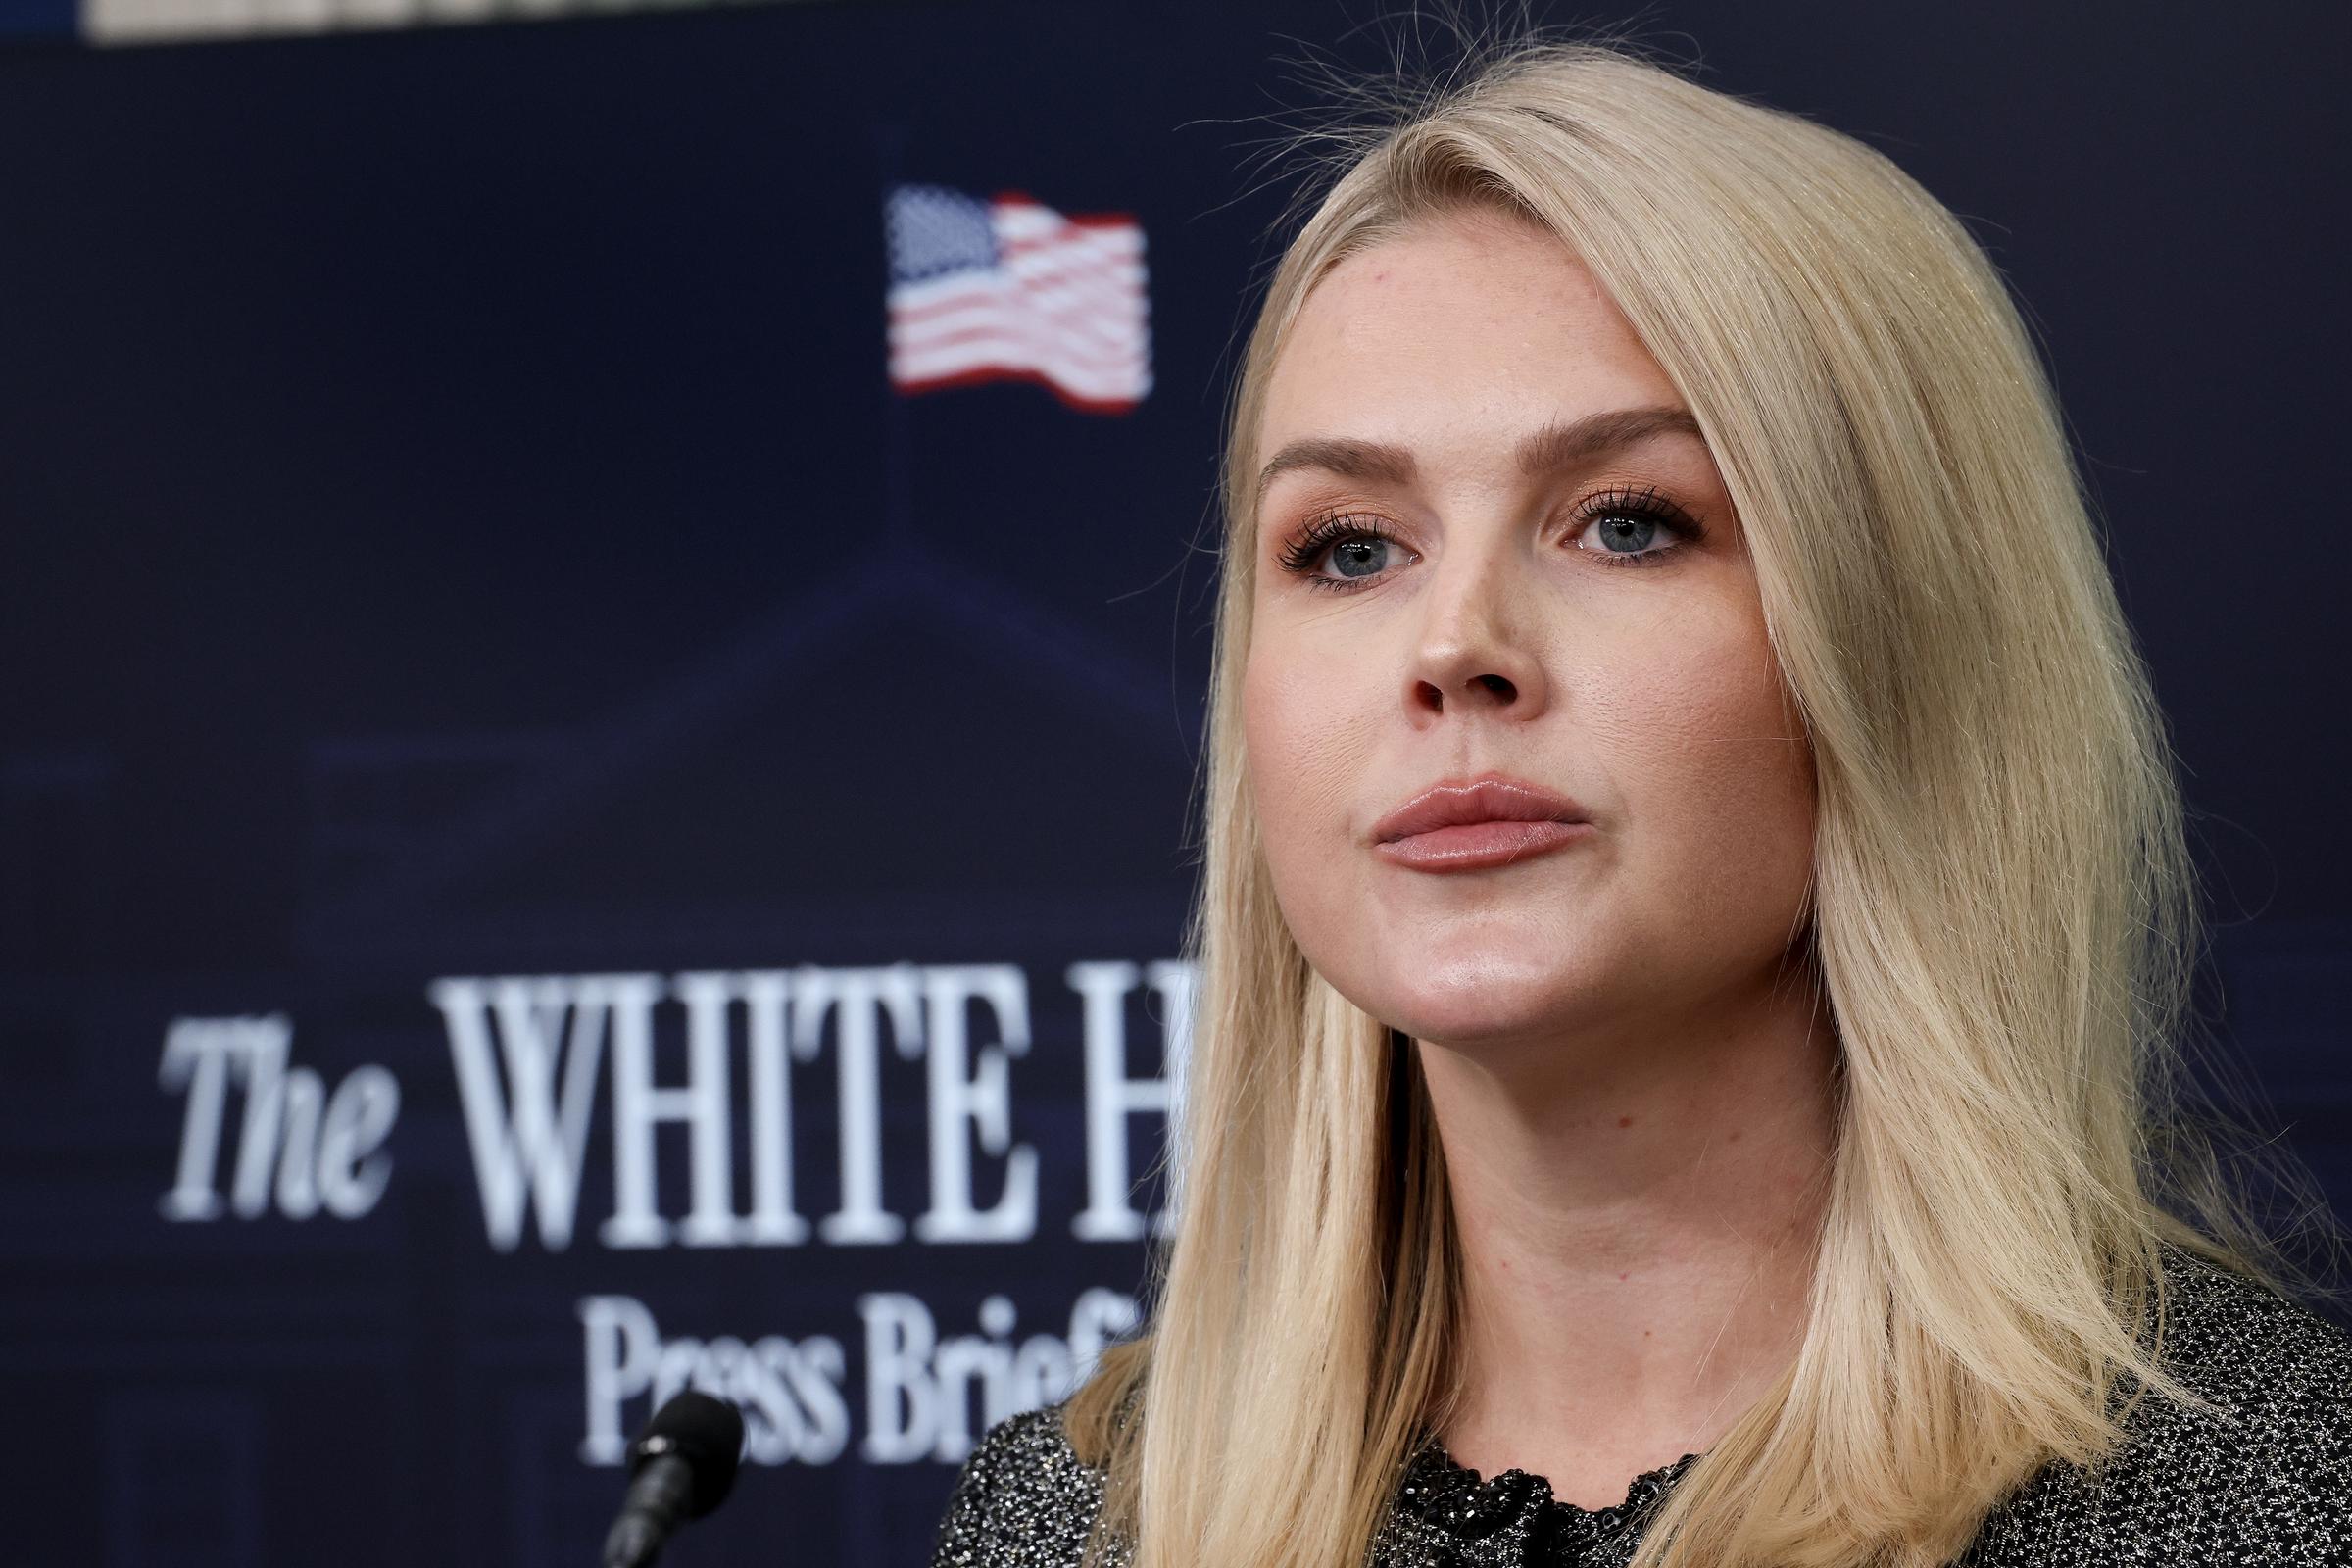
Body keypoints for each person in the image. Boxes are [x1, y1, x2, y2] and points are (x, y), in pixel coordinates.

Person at [928, 30, 2352, 1568]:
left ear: (1899, 644)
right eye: (1351, 548)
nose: (1455, 646)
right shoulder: (1076, 1527)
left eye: (1625, 524)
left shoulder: (2265, 1506)